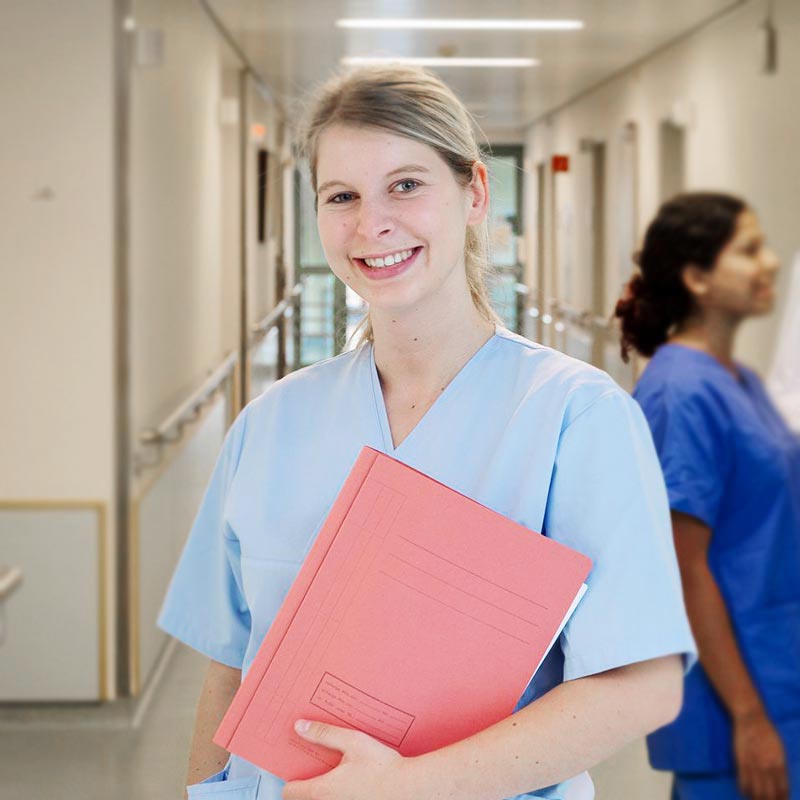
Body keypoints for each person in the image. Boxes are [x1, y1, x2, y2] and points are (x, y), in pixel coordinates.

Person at [159, 65, 694, 800]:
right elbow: (230, 667)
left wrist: (410, 786)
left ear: (475, 193)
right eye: (340, 196)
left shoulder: (576, 416)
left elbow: (643, 685)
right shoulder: (271, 424)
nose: (371, 223)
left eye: (406, 186)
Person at [615, 192, 800, 800]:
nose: (770, 263)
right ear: (697, 277)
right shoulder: (681, 394)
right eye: (748, 251)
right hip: (736, 709)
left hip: (776, 675)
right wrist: (748, 719)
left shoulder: (739, 379)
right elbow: (682, 569)